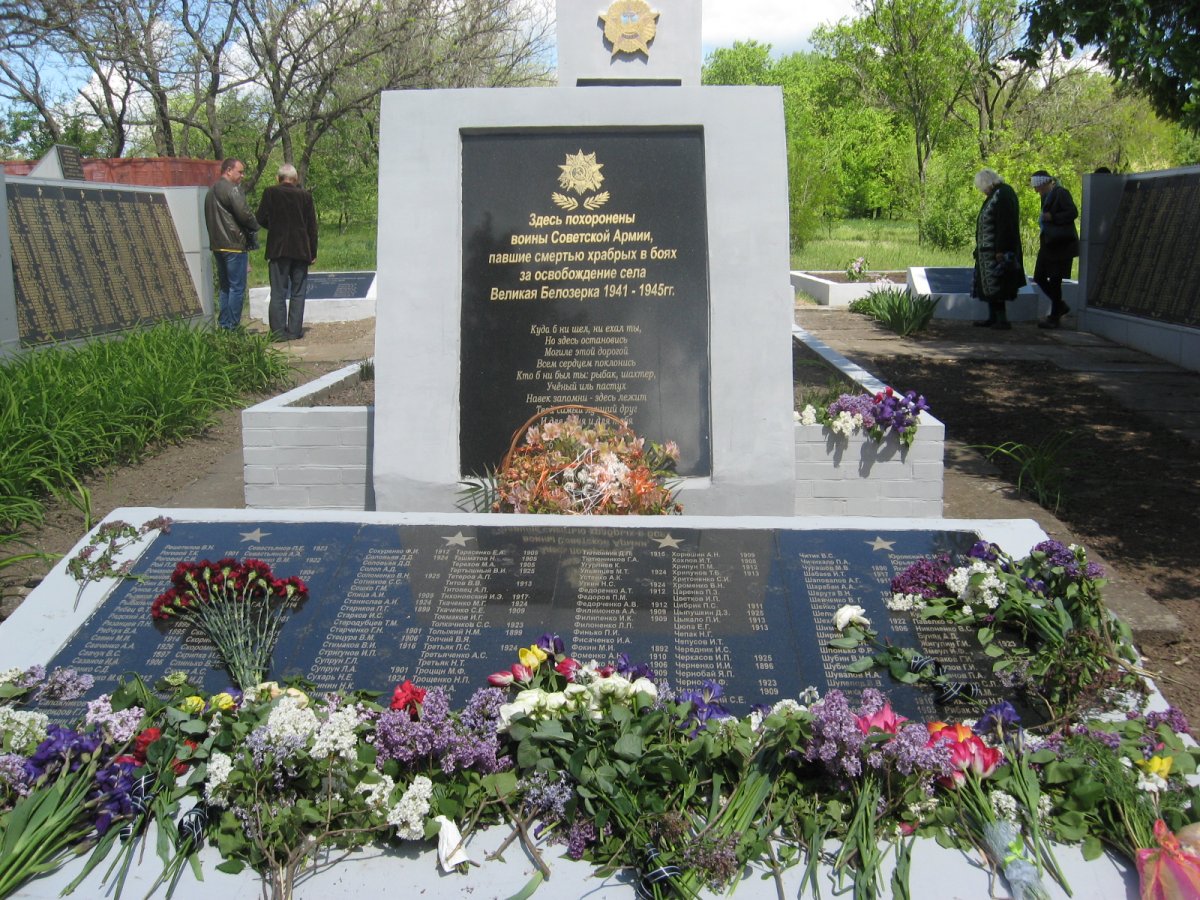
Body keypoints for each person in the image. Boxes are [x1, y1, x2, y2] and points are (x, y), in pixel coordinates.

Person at [255, 162, 319, 341]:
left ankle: (278, 333)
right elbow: (312, 227)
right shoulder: (305, 196)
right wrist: (313, 251)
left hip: (278, 249)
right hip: (301, 250)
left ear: (278, 178)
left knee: (278, 292)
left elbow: (260, 218)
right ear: (296, 179)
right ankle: (294, 331)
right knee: (298, 292)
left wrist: (274, 227)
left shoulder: (270, 193)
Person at [204, 158, 259, 330]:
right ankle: (233, 327)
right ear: (228, 170)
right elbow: (244, 214)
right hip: (234, 244)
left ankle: (224, 325)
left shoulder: (210, 191)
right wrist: (255, 225)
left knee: (225, 287)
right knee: (237, 288)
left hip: (217, 245)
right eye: (240, 172)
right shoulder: (232, 189)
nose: (243, 176)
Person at [971, 168, 1025, 330]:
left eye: (982, 187)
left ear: (987, 183)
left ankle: (1002, 320)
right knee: (990, 285)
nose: (982, 191)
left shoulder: (1003, 194)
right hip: (987, 251)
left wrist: (1001, 249)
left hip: (997, 251)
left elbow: (1005, 224)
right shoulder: (996, 194)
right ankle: (992, 317)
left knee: (998, 284)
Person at [1030, 169, 1079, 329]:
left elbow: (1073, 212)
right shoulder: (1045, 196)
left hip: (1060, 244)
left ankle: (1054, 316)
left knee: (1055, 279)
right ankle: (1059, 305)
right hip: (1048, 242)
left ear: (1044, 183)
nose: (1036, 191)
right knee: (1039, 276)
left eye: (1037, 187)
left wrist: (1053, 217)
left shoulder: (1060, 193)